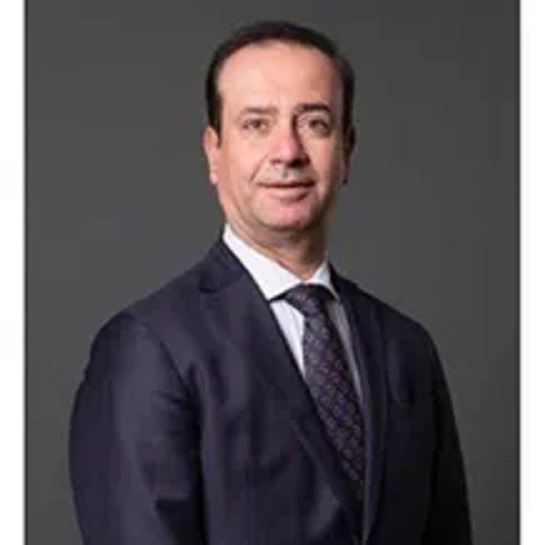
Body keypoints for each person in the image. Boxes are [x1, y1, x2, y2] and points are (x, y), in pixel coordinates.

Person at [69, 20, 472, 545]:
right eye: (257, 124)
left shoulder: (407, 348)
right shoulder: (148, 347)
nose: (288, 151)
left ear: (347, 150)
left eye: (315, 123)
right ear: (214, 152)